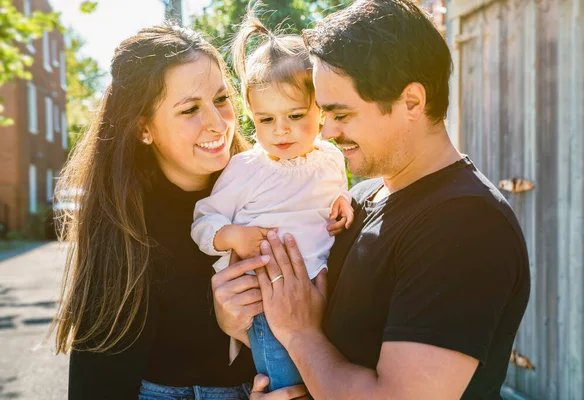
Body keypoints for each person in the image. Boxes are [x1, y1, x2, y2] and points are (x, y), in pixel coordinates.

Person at [213, 1, 531, 399]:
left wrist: (298, 334)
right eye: (323, 113)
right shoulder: (357, 201)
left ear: (411, 102)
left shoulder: (466, 226)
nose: (326, 132)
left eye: (341, 114)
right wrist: (236, 317)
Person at [51, 25, 306, 400]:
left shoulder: (278, 181)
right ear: (143, 129)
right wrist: (220, 317)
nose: (218, 123)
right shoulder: (122, 219)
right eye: (190, 109)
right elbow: (98, 369)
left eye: (222, 99)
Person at [190, 9, 353, 393]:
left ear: (320, 110)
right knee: (287, 382)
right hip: (268, 300)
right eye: (265, 120)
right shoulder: (245, 169)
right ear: (250, 114)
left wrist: (345, 204)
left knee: (329, 379)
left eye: (295, 115)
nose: (280, 130)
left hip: (327, 293)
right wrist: (233, 236)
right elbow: (202, 222)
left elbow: (337, 194)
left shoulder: (330, 157)